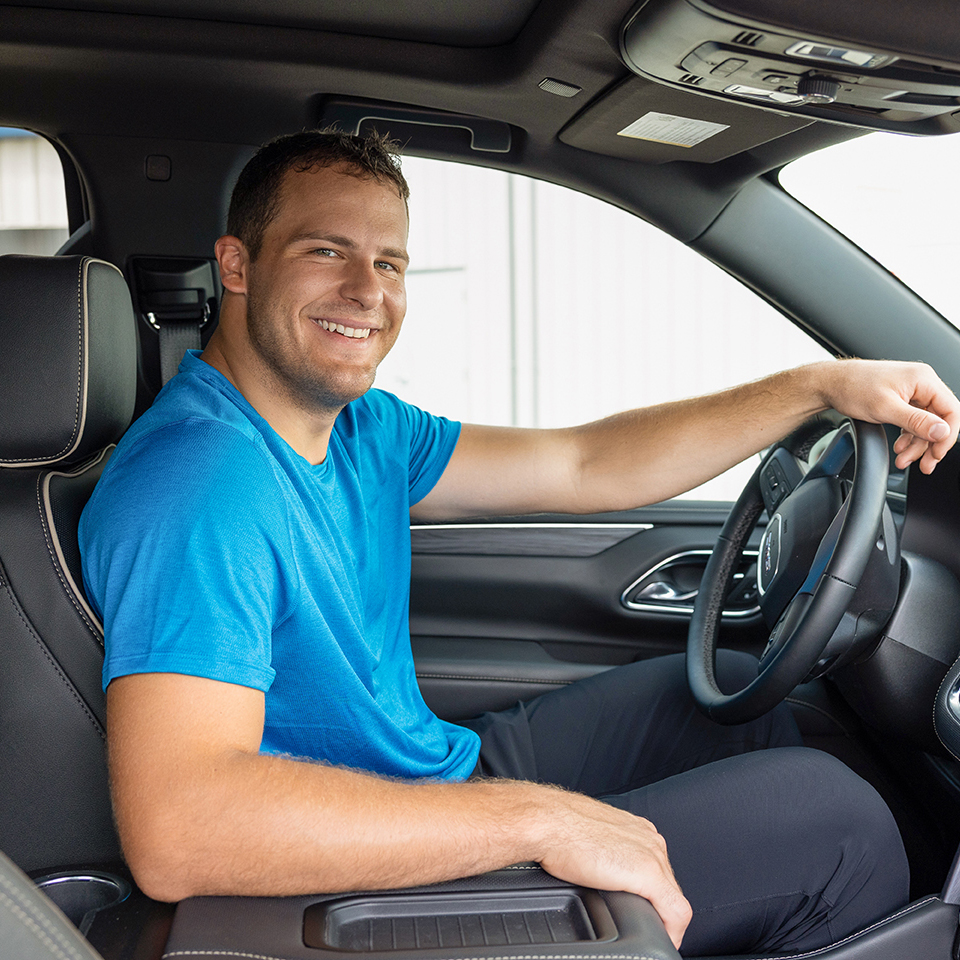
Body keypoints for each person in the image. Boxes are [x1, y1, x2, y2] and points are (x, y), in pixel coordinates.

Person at [80, 130, 960, 957]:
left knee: (747, 706)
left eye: (389, 262)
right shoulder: (199, 485)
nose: (367, 291)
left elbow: (586, 463)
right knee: (837, 825)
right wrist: (539, 821)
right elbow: (183, 828)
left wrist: (820, 385)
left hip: (424, 772)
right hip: (337, 878)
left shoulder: (357, 430)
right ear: (237, 266)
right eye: (326, 250)